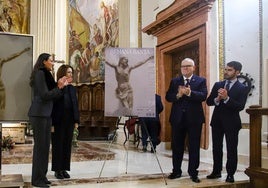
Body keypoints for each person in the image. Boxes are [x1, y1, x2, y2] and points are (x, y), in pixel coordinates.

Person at [28, 53, 68, 187]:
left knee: (45, 147)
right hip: (39, 114)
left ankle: (42, 176)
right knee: (40, 148)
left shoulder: (47, 74)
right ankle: (37, 180)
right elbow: (45, 95)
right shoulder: (40, 73)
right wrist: (59, 87)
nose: (53, 63)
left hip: (46, 114)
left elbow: (53, 95)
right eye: (51, 61)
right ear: (44, 61)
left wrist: (59, 86)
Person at [165, 58, 207, 183]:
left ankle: (193, 172)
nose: (185, 68)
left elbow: (203, 96)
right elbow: (168, 97)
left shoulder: (200, 80)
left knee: (194, 146)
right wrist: (178, 95)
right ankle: (176, 171)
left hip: (194, 119)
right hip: (177, 118)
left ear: (193, 67)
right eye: (183, 66)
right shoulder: (175, 81)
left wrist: (189, 93)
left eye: (188, 66)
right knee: (177, 146)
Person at [206, 61, 248, 183]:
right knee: (216, 148)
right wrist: (217, 99)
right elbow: (209, 102)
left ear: (237, 72)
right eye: (225, 69)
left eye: (229, 70)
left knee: (231, 149)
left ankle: (230, 174)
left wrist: (227, 98)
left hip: (232, 123)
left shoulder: (242, 88)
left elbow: (240, 106)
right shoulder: (218, 84)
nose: (226, 72)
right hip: (217, 122)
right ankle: (216, 171)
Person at [51, 64, 80, 179]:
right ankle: (57, 170)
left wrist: (76, 120)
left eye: (71, 72)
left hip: (69, 120)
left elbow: (75, 105)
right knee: (58, 145)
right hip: (58, 120)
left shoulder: (72, 88)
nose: (70, 74)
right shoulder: (56, 86)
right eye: (68, 72)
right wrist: (61, 87)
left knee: (67, 145)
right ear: (63, 73)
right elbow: (53, 104)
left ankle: (64, 169)